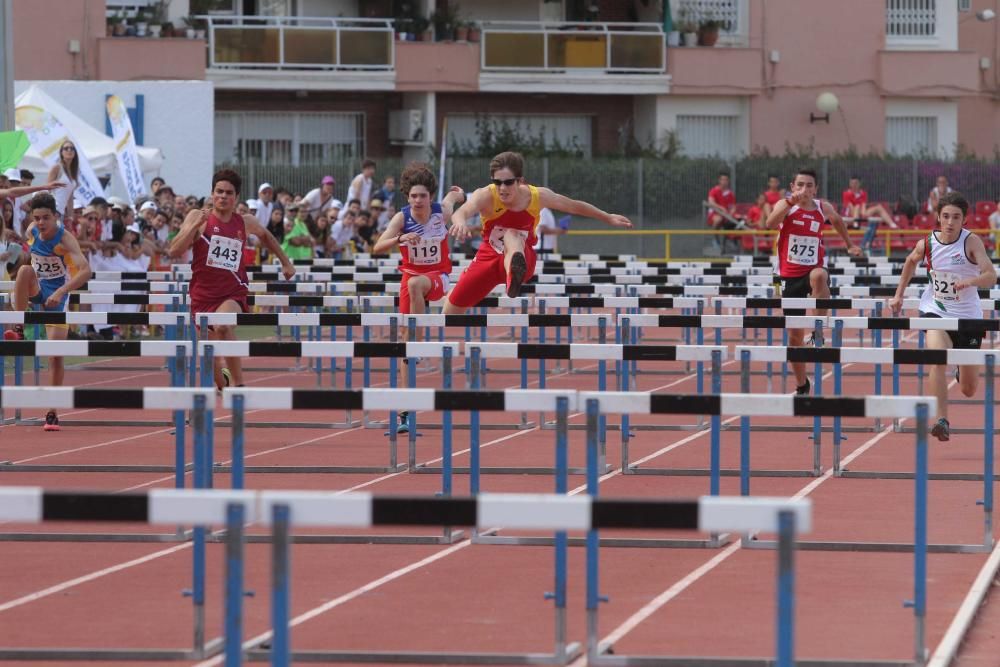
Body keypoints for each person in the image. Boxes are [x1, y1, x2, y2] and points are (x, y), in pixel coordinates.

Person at [444, 151, 632, 313]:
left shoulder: (537, 196)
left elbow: (573, 206)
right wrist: (460, 223)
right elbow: (463, 211)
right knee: (450, 309)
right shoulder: (485, 195)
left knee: (512, 234)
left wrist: (607, 217)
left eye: (508, 182)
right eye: (497, 182)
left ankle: (513, 276)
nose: (502, 188)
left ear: (520, 181)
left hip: (523, 257)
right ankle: (431, 353)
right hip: (489, 257)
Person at [168, 169, 296, 391]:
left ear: (236, 197)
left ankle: (239, 386)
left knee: (224, 326)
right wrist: (191, 227)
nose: (223, 196)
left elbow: (267, 236)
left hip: (232, 293)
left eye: (228, 193)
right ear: (212, 193)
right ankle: (224, 382)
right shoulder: (198, 217)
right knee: (209, 357)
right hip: (202, 295)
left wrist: (285, 262)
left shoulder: (244, 222)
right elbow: (174, 250)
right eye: (219, 191)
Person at [889, 192, 996, 442]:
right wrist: (898, 295)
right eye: (945, 216)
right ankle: (941, 420)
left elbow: (991, 274)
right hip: (935, 311)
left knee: (969, 389)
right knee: (936, 357)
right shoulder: (927, 243)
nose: (949, 222)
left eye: (955, 217)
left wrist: (971, 280)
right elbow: (910, 262)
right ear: (937, 217)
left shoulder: (971, 243)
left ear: (964, 220)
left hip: (969, 318)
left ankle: (961, 370)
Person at [764, 167, 862, 395]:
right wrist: (789, 203)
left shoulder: (822, 207)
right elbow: (769, 224)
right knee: (794, 337)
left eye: (809, 185)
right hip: (784, 276)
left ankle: (818, 329)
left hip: (813, 269)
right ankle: (802, 384)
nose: (804, 190)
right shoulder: (785, 205)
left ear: (815, 189)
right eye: (800, 185)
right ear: (793, 187)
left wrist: (849, 244)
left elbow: (837, 221)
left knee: (819, 276)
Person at [4, 192, 92, 431]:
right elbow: (30, 248)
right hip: (38, 288)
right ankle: (19, 327)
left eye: (46, 218)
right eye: (37, 218)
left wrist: (61, 291)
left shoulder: (66, 240)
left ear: (56, 216)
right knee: (23, 272)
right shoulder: (32, 230)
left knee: (55, 355)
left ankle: (52, 412)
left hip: (58, 297)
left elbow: (85, 271)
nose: (41, 223)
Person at [47, 140, 80, 222]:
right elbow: (47, 189)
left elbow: (70, 197)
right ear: (61, 153)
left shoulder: (74, 172)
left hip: (61, 212)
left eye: (72, 148)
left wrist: (70, 216)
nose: (69, 150)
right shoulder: (57, 168)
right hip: (53, 209)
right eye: (66, 148)